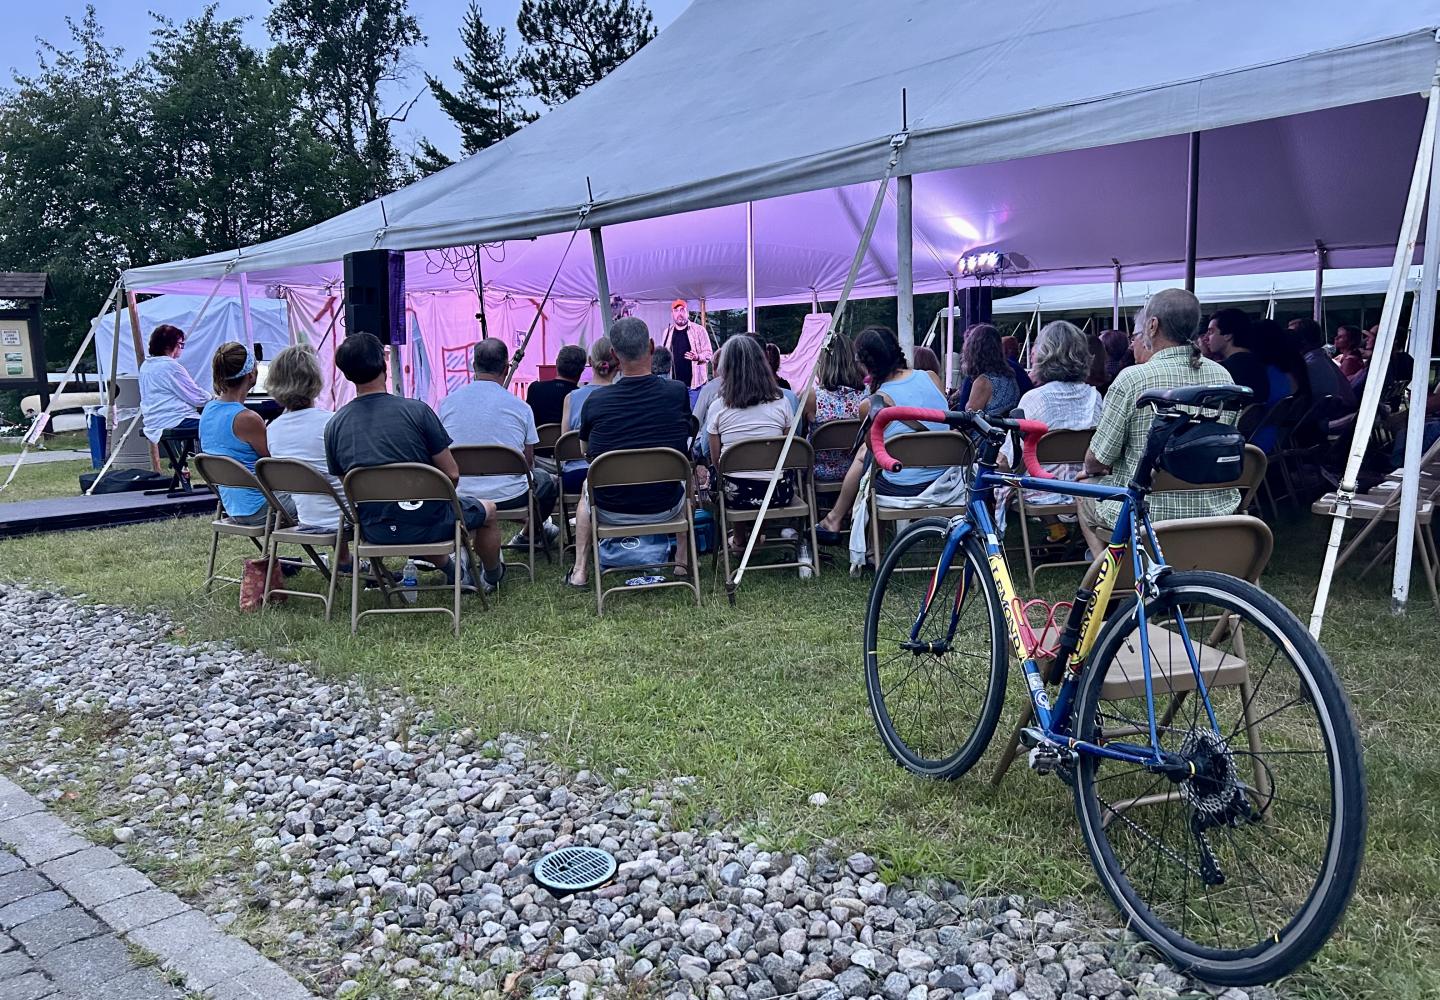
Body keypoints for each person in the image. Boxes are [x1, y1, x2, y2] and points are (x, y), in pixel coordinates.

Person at [324, 332, 504, 591]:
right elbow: (451, 474)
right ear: (383, 365)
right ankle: (492, 576)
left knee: (410, 513)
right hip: (428, 523)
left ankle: (453, 570)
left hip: (374, 530)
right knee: (487, 511)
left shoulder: (334, 425)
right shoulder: (417, 412)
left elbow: (350, 487)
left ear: (346, 374)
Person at [1078, 288, 1238, 556]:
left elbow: (1098, 459)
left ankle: (1110, 580)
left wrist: (1091, 469)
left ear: (1153, 326)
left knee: (1082, 489)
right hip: (1212, 508)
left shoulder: (1132, 379)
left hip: (1145, 510)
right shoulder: (1224, 376)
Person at [566, 318, 693, 587]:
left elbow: (585, 451)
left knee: (589, 484)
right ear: (651, 347)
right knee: (684, 475)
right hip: (665, 504)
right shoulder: (676, 392)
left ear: (614, 354)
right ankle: (681, 563)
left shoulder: (595, 400)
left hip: (610, 507)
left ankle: (579, 570)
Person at [814, 326, 949, 542]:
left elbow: (872, 451)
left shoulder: (872, 404)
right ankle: (842, 525)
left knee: (866, 453)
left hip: (905, 486)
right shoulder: (932, 377)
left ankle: (841, 524)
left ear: (865, 364)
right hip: (945, 478)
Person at [439, 338, 561, 549]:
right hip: (511, 495)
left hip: (461, 494)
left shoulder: (446, 404)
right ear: (506, 369)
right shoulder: (521, 408)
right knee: (546, 481)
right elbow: (528, 464)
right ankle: (528, 534)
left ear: (474, 366)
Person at [705, 336, 795, 551]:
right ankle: (758, 534)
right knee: (769, 472)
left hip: (736, 495)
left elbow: (717, 461)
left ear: (725, 368)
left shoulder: (718, 408)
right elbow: (786, 450)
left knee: (729, 476)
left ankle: (738, 538)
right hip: (777, 493)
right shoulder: (782, 402)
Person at [1015, 322, 1103, 533]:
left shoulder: (1034, 399)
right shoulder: (1095, 396)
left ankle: (1054, 525)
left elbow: (1014, 456)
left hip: (1043, 488)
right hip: (1085, 484)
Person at [199, 342, 296, 527]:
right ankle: (344, 556)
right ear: (251, 374)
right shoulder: (247, 419)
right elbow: (275, 463)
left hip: (233, 506)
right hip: (261, 509)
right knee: (323, 500)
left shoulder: (208, 410)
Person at [265, 344, 345, 545]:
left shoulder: (272, 430)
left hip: (307, 517)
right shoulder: (332, 423)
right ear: (315, 380)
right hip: (348, 516)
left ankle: (343, 561)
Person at [558, 338, 619, 495]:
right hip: (616, 473)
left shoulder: (571, 398)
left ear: (590, 361)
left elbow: (566, 443)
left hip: (575, 474)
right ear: (618, 364)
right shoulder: (624, 396)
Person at [803, 335, 866, 483]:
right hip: (858, 468)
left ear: (823, 361)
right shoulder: (869, 396)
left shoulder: (812, 396)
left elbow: (800, 434)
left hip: (819, 470)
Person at [139, 324, 209, 447]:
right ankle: (218, 461)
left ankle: (189, 462)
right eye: (180, 344)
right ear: (170, 345)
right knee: (220, 425)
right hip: (175, 419)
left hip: (153, 421)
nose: (181, 348)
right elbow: (197, 398)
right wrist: (213, 398)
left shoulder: (146, 366)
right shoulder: (170, 366)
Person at [1288, 318, 1357, 415]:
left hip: (1329, 420)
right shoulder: (1323, 361)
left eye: (1290, 336)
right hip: (1337, 415)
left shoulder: (1309, 366)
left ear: (1302, 340)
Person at [1205, 308, 1269, 403]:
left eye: (1211, 332)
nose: (1206, 338)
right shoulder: (1260, 364)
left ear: (1228, 335)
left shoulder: (1222, 370)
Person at [959, 323, 1020, 417]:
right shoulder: (1011, 377)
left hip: (985, 431)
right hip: (1005, 430)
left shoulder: (983, 382)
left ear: (973, 351)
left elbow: (968, 423)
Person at [526, 344, 585, 427]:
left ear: (557, 364)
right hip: (571, 440)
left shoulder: (535, 389)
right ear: (582, 370)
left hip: (540, 439)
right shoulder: (582, 397)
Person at [662, 299, 713, 389]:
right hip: (674, 386)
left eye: (682, 310)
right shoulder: (667, 332)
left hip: (695, 386)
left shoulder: (699, 330)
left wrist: (697, 357)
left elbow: (709, 354)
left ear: (687, 313)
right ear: (672, 314)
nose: (679, 313)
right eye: (676, 311)